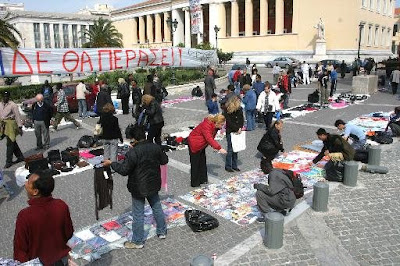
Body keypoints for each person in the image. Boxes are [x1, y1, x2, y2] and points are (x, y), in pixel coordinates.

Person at [103, 125, 168, 249]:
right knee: (156, 206)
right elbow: (164, 160)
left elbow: (124, 170)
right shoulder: (155, 147)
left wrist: (112, 163)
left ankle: (138, 241)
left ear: (134, 139)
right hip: (153, 183)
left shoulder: (133, 152)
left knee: (138, 213)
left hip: (139, 187)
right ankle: (162, 231)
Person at [14, 170, 74, 265]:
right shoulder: (61, 205)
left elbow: (20, 250)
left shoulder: (25, 216)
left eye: (28, 183)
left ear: (35, 191)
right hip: (61, 260)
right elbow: (69, 233)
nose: (25, 184)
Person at [187, 114, 227, 187]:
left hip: (201, 144)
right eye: (221, 125)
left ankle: (203, 179)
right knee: (195, 164)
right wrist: (219, 148)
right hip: (194, 144)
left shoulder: (214, 126)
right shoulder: (206, 125)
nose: (222, 127)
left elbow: (211, 137)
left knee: (202, 161)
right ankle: (195, 183)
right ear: (217, 123)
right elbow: (209, 138)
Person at [0, 91, 24, 168]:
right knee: (12, 142)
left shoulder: (13, 105)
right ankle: (20, 157)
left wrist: (20, 127)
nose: (5, 98)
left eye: (7, 96)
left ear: (9, 97)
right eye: (4, 96)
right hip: (2, 125)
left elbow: (17, 116)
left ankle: (8, 161)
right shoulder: (0, 104)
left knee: (10, 143)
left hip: (11, 125)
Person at [224, 96, 244, 172]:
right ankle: (228, 166)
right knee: (230, 149)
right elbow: (229, 122)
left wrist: (240, 128)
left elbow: (241, 119)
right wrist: (237, 128)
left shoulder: (239, 109)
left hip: (237, 130)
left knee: (236, 149)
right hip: (230, 131)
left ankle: (234, 165)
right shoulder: (227, 110)